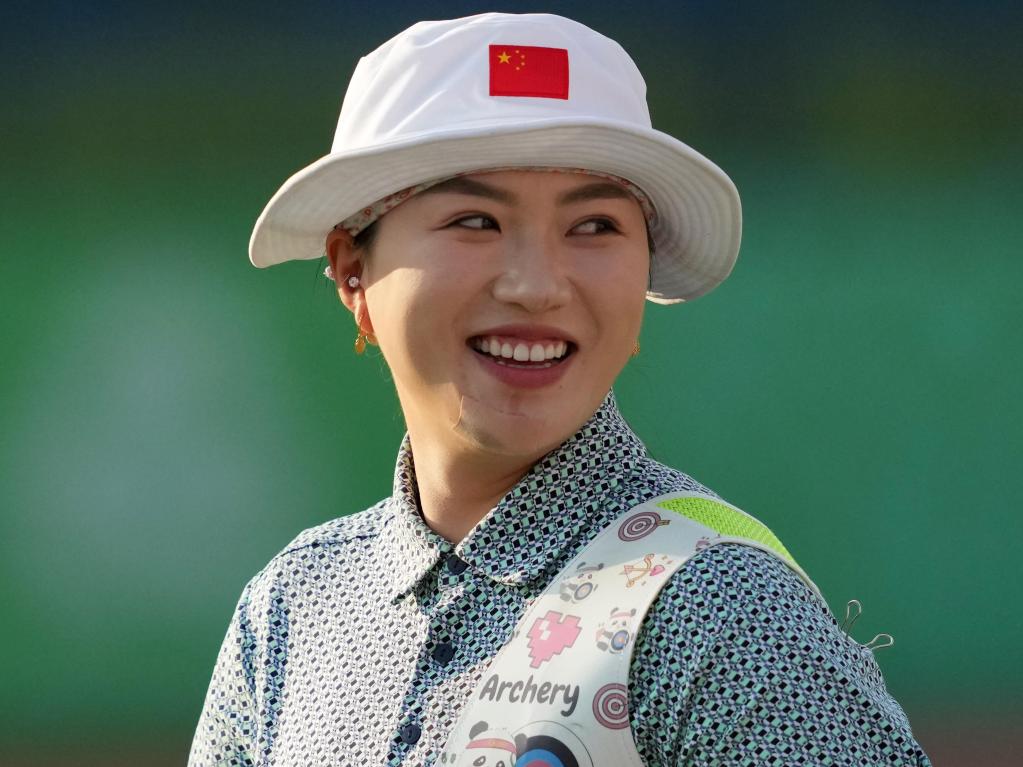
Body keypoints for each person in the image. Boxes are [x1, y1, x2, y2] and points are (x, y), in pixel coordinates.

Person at [188, 12, 931, 766]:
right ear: (353, 271)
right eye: (475, 220)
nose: (537, 285)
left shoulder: (723, 609)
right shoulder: (292, 605)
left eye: (595, 226)